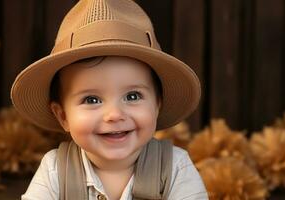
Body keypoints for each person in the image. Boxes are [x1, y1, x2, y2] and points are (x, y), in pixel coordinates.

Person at [11, 0, 208, 199]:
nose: (114, 114)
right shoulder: (55, 169)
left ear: (157, 105)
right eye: (92, 100)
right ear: (63, 116)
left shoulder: (174, 166)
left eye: (133, 96)